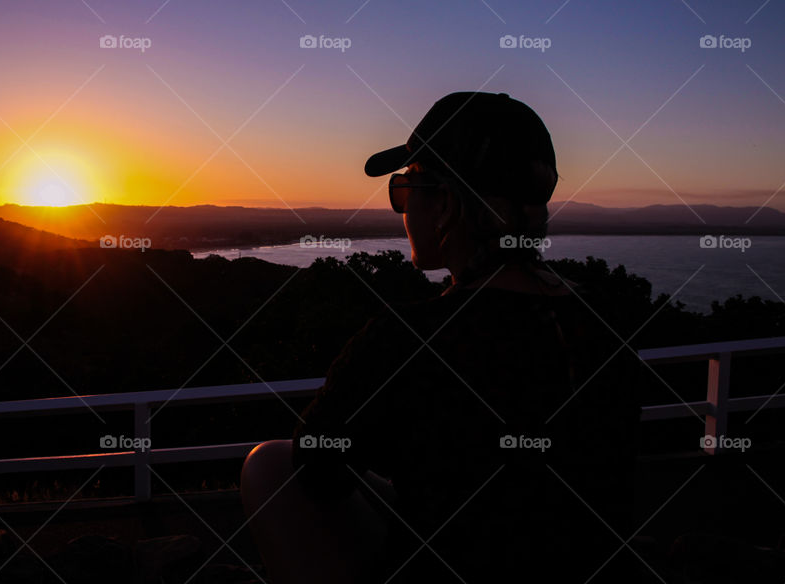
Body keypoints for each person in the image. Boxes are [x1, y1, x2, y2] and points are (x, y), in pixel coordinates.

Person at [241, 92, 639, 583]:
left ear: (447, 205)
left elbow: (317, 467)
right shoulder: (605, 320)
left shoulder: (409, 341)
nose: (402, 211)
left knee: (270, 466)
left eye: (406, 192)